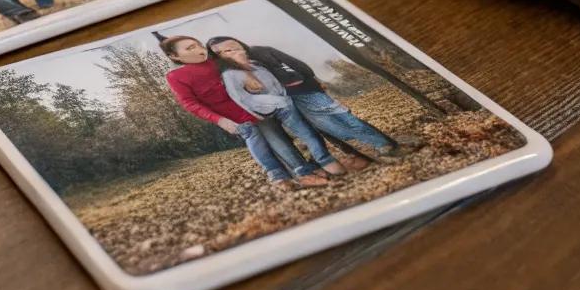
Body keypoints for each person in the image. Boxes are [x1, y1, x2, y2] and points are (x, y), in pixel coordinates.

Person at [159, 34, 327, 189]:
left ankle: (305, 171)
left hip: (254, 105)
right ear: (174, 56)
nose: (199, 49)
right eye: (190, 48)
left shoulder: (217, 61)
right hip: (232, 117)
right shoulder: (176, 76)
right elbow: (190, 103)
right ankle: (282, 176)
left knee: (278, 137)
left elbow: (245, 72)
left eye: (198, 45)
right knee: (258, 141)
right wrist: (220, 120)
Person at [207, 38, 348, 181]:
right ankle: (305, 170)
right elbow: (240, 98)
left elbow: (276, 84)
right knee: (280, 142)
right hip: (261, 114)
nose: (231, 52)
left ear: (242, 47)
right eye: (223, 52)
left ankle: (325, 160)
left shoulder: (257, 65)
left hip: (284, 106)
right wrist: (257, 112)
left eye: (233, 47)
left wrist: (283, 99)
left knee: (306, 132)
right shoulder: (229, 74)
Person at [247, 42, 412, 162]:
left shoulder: (256, 55)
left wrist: (306, 82)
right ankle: (379, 148)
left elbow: (298, 68)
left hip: (298, 95)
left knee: (339, 122)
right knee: (333, 124)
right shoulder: (252, 58)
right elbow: (299, 67)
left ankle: (384, 146)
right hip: (293, 97)